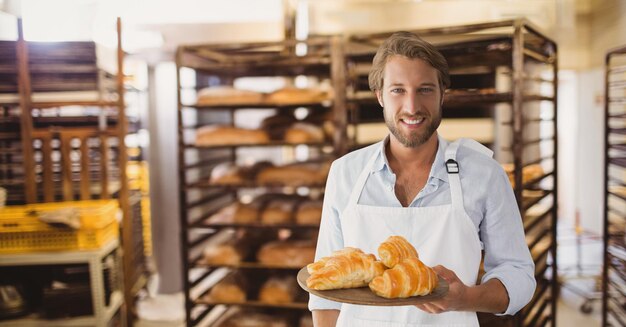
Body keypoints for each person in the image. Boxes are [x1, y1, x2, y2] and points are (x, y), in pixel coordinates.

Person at [309, 31, 535, 326]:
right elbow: (324, 291)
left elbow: (517, 274)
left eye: (425, 89)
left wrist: (466, 298)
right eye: (398, 90)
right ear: (379, 95)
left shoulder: (484, 174)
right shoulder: (345, 173)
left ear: (444, 94)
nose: (412, 107)